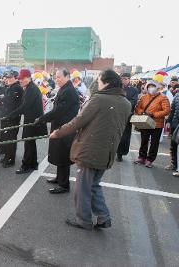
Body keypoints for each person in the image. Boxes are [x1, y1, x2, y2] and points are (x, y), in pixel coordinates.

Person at [49, 69, 131, 230]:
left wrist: (57, 133)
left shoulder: (99, 99)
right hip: (107, 152)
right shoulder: (125, 103)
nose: (98, 84)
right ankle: (103, 217)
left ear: (106, 83)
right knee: (94, 185)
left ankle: (83, 220)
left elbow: (78, 121)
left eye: (99, 81)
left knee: (83, 188)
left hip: (90, 151)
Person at [35, 69, 80, 193]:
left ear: (67, 77)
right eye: (56, 77)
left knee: (63, 156)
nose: (57, 79)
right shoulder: (65, 88)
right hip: (60, 127)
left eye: (59, 77)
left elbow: (59, 110)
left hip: (65, 129)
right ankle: (59, 178)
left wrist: (43, 118)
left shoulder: (69, 91)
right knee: (59, 154)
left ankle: (64, 185)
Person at [9, 69, 45, 174]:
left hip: (33, 120)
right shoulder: (29, 88)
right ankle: (33, 164)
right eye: (20, 79)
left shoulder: (31, 89)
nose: (21, 81)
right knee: (30, 142)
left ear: (28, 78)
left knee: (28, 143)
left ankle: (26, 165)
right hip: (32, 119)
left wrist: (12, 114)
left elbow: (25, 106)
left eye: (23, 79)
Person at [134, 79, 170, 168]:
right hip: (145, 122)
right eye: (149, 86)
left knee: (154, 143)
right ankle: (141, 157)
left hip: (157, 124)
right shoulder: (143, 97)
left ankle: (150, 159)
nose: (151, 88)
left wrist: (154, 114)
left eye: (153, 86)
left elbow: (167, 110)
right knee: (144, 141)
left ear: (157, 88)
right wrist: (142, 112)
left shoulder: (163, 97)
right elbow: (137, 108)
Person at [0, 71, 23, 168]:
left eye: (10, 77)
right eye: (7, 77)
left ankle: (10, 159)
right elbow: (7, 99)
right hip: (7, 116)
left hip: (13, 117)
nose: (7, 79)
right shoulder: (11, 87)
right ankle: (6, 156)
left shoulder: (17, 88)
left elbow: (11, 102)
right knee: (6, 137)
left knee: (11, 138)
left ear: (16, 78)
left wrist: (2, 99)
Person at [116, 73, 139, 161]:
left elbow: (133, 102)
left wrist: (123, 106)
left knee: (125, 136)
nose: (124, 80)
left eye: (126, 78)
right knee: (114, 134)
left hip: (127, 115)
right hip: (116, 114)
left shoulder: (134, 90)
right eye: (122, 78)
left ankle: (120, 153)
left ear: (129, 79)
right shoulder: (116, 88)